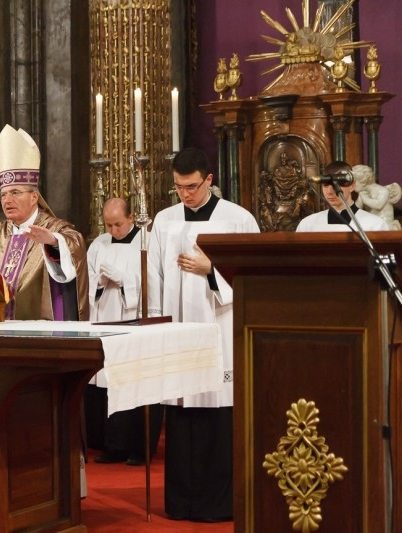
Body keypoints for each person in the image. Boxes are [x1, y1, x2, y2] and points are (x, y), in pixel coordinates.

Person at [147, 147, 259, 521]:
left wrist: (212, 270)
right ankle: (181, 503)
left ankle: (218, 504)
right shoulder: (164, 221)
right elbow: (153, 278)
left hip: (220, 328)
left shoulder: (238, 219)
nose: (185, 194)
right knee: (181, 415)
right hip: (178, 331)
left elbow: (253, 274)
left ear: (209, 180)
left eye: (192, 187)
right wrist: (156, 327)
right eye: (179, 187)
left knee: (217, 413)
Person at [0, 124, 89, 320]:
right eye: (3, 195)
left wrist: (54, 243)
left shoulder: (53, 229)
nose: (7, 200)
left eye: (15, 192)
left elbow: (75, 243)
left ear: (34, 197)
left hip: (39, 330)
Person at [85, 198, 163, 466]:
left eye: (118, 224)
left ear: (131, 218)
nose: (113, 230)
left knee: (135, 380)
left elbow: (155, 282)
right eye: (108, 225)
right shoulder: (98, 244)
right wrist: (100, 282)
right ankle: (114, 446)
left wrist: (125, 281)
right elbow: (89, 281)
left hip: (134, 320)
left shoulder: (147, 242)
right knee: (111, 383)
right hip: (107, 319)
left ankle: (140, 448)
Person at [296, 161, 390, 232]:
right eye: (325, 185)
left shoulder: (375, 225)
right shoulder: (307, 225)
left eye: (336, 185)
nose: (329, 192)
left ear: (352, 186)